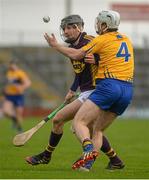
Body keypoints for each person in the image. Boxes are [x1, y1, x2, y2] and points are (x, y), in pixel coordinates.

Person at [25, 14, 124, 171]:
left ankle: (47, 155)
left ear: (79, 28)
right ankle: (115, 160)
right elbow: (79, 72)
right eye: (64, 28)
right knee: (71, 124)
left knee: (74, 124)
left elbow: (110, 56)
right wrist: (72, 90)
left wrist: (97, 60)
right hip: (85, 92)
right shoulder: (72, 48)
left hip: (97, 91)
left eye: (70, 28)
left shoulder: (90, 41)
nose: (66, 31)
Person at [2, 60, 31, 132]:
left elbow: (28, 83)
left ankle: (19, 129)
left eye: (12, 65)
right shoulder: (8, 73)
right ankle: (14, 119)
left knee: (19, 113)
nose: (11, 66)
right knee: (6, 111)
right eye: (10, 65)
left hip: (18, 96)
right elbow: (7, 83)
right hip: (9, 95)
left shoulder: (20, 73)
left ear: (16, 65)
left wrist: (22, 87)